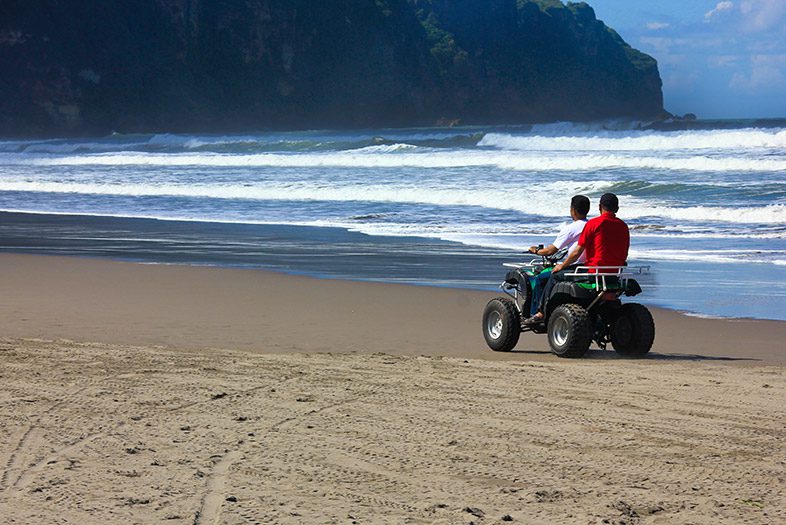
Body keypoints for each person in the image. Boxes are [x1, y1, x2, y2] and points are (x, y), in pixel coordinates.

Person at [523, 192, 630, 325]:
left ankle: (541, 312)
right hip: (614, 273)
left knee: (554, 275)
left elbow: (576, 252)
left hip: (592, 271)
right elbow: (624, 252)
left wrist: (562, 265)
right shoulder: (624, 226)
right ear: (617, 208)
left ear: (599, 207)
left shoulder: (594, 224)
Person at [525, 195, 590, 318]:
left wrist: (536, 251)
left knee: (540, 279)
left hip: (574, 266)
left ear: (573, 210)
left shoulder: (571, 228)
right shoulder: (592, 225)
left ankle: (538, 312)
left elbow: (550, 251)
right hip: (589, 266)